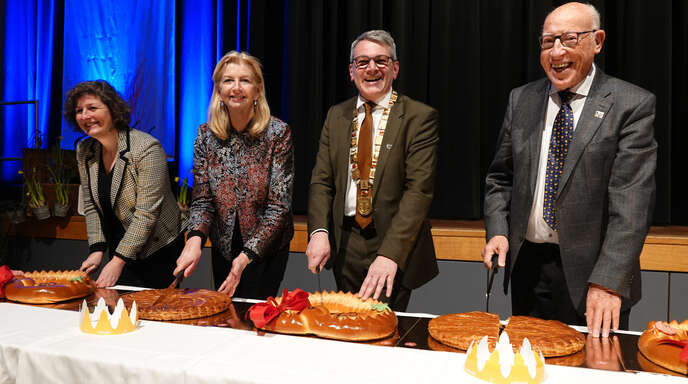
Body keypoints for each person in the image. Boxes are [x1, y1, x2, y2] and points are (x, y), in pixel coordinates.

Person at [482, 2, 656, 338]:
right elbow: (499, 178)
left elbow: (632, 206)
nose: (556, 51)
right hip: (528, 271)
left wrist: (607, 282)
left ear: (598, 41)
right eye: (548, 42)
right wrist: (498, 231)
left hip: (594, 279)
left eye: (569, 39)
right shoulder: (522, 100)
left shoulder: (631, 104)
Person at [306, 30, 439, 311]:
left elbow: (418, 192)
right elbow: (321, 182)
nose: (372, 68)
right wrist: (319, 231)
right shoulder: (336, 116)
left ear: (395, 68)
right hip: (345, 244)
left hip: (392, 244)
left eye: (381, 60)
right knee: (347, 330)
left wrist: (390, 255)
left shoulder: (419, 117)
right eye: (363, 62)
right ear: (351, 71)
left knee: (384, 334)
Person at [174, 51, 294, 299]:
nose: (236, 88)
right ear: (218, 90)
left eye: (245, 80)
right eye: (228, 80)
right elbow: (203, 200)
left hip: (266, 249)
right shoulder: (205, 136)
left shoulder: (278, 133)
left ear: (258, 90)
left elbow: (278, 207)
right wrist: (195, 239)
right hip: (224, 247)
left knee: (256, 321)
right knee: (226, 317)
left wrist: (245, 257)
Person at [65, 80, 185, 288]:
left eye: (92, 108)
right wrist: (97, 249)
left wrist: (118, 261)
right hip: (120, 243)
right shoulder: (85, 150)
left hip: (158, 247)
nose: (85, 116)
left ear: (113, 109)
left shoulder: (147, 148)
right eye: (79, 110)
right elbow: (91, 204)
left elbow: (146, 214)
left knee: (152, 315)